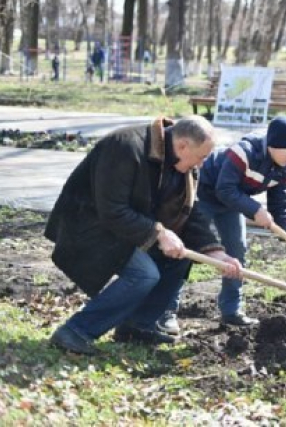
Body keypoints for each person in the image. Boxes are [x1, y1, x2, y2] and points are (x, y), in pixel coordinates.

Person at [45, 116, 242, 355]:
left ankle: (137, 326)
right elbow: (111, 210)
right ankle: (75, 331)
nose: (201, 164)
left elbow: (190, 212)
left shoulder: (184, 166)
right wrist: (158, 233)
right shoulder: (125, 146)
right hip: (89, 225)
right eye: (201, 157)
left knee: (179, 259)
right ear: (183, 146)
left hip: (128, 227)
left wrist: (216, 251)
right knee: (144, 274)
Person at [158, 116, 286, 333]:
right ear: (274, 145)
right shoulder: (243, 153)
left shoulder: (282, 166)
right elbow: (224, 189)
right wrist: (254, 210)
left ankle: (231, 310)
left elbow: (280, 203)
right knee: (189, 250)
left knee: (236, 250)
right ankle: (166, 311)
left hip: (232, 202)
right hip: (204, 196)